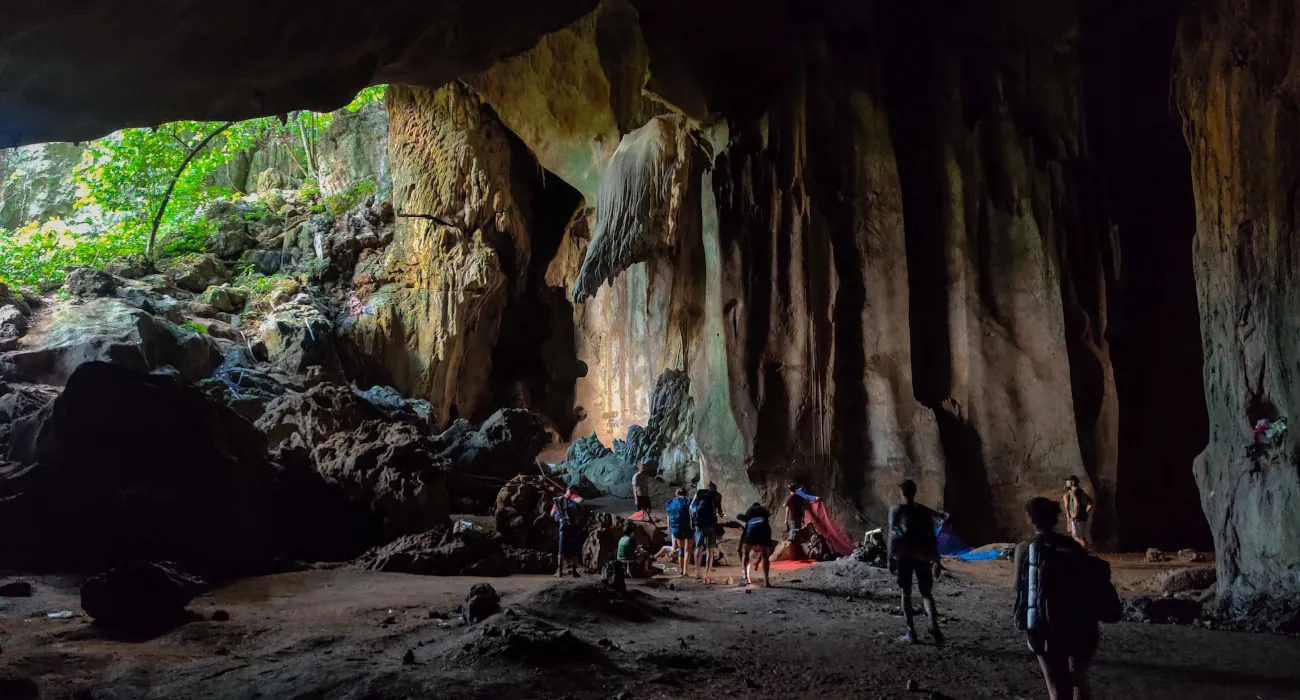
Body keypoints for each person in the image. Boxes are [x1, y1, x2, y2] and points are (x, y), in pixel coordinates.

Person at [1015, 497, 1100, 700]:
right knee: (1078, 681)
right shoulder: (1074, 546)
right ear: (1055, 518)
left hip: (1044, 625)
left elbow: (1019, 588)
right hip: (1080, 623)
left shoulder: (1025, 549)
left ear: (1030, 519)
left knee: (1057, 688)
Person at [887, 479, 947, 645]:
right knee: (926, 593)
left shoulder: (896, 510)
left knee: (905, 593)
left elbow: (892, 534)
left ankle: (911, 632)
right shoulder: (923, 512)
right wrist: (935, 559)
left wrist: (890, 557)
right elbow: (932, 536)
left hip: (904, 556)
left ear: (902, 492)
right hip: (923, 556)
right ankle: (934, 626)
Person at [736, 502, 774, 587]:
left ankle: (745, 578)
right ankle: (767, 581)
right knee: (765, 556)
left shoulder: (749, 510)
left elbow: (741, 518)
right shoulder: (764, 511)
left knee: (745, 553)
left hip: (752, 528)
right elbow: (768, 516)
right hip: (765, 528)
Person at [552, 486, 585, 578]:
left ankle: (559, 571)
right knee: (573, 549)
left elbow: (552, 513)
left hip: (562, 527)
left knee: (561, 549)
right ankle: (574, 570)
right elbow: (582, 501)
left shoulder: (559, 500)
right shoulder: (575, 498)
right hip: (573, 527)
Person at [690, 487, 719, 584]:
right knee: (710, 550)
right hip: (711, 526)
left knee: (698, 548)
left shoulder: (699, 494)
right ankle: (708, 575)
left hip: (700, 526)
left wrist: (693, 522)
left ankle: (697, 572)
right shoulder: (715, 496)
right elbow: (718, 511)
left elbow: (691, 508)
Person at [665, 487, 695, 578]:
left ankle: (681, 570)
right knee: (687, 550)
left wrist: (669, 527)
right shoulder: (690, 501)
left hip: (677, 528)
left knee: (681, 549)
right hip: (688, 528)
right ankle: (686, 571)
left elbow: (669, 516)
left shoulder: (671, 502)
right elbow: (694, 513)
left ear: (677, 494)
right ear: (686, 494)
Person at [1062, 476, 1094, 550]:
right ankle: (1088, 550)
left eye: (1067, 480)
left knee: (1076, 536)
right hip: (1082, 517)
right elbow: (1090, 504)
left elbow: (1076, 504)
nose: (1066, 482)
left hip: (1076, 518)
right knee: (1080, 536)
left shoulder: (1073, 492)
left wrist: (1074, 514)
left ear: (1072, 482)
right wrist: (1084, 512)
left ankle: (1087, 550)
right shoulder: (1080, 491)